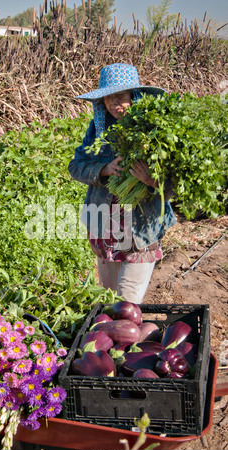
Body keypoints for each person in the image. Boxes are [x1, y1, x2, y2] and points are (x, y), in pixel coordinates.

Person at [68, 63, 176, 304]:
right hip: (104, 225)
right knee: (110, 299)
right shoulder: (98, 128)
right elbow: (75, 166)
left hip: (141, 230)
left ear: (134, 96)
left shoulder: (155, 129)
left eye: (121, 97)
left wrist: (151, 181)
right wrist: (103, 169)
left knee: (127, 302)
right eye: (108, 98)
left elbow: (174, 184)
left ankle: (126, 339)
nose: (115, 104)